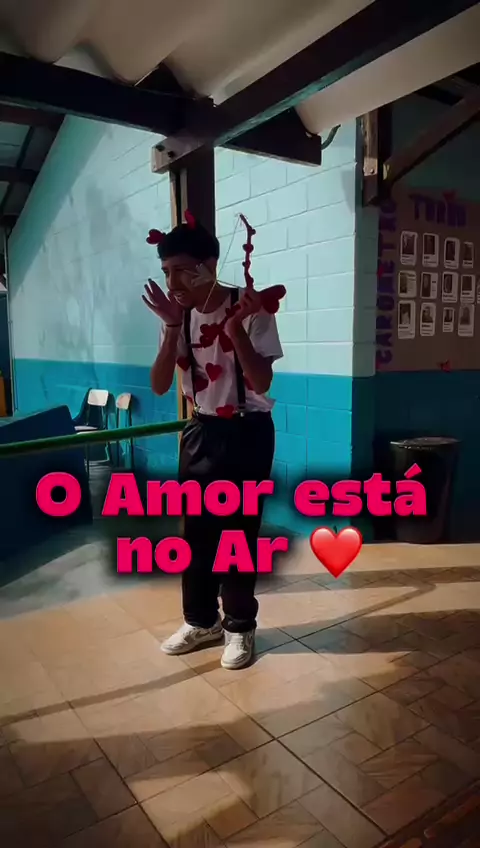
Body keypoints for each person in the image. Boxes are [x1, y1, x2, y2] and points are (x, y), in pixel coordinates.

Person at [142, 217, 283, 669]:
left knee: (238, 534)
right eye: (166, 272)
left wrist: (234, 329)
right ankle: (202, 621)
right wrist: (170, 328)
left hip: (247, 431)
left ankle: (240, 626)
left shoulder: (251, 308)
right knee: (197, 534)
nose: (173, 283)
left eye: (182, 271)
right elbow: (160, 385)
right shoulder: (178, 316)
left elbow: (261, 380)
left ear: (208, 265)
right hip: (200, 430)